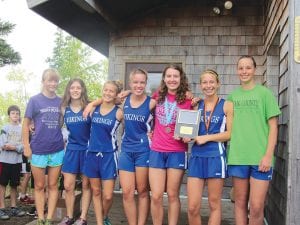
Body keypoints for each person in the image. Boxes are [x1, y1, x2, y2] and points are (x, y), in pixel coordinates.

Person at [227, 55, 281, 225]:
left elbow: (273, 127)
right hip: (238, 157)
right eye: (241, 68)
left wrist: (267, 155)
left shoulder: (264, 94)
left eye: (248, 67)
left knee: (257, 206)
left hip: (260, 158)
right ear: (237, 71)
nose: (244, 71)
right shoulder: (232, 97)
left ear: (254, 70)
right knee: (240, 203)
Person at [184, 69, 233, 225]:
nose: (208, 85)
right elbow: (189, 132)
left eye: (211, 82)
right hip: (197, 157)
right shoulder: (196, 105)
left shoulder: (227, 105)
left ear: (218, 84)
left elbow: (229, 134)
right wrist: (186, 136)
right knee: (192, 207)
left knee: (214, 204)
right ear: (201, 85)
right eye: (205, 82)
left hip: (216, 157)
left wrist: (206, 138)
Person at [149, 64, 192, 225]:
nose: (172, 79)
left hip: (177, 151)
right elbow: (141, 108)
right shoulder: (158, 96)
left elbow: (193, 126)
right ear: (164, 79)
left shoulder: (188, 99)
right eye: (169, 76)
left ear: (181, 79)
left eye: (175, 76)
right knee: (157, 195)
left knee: (173, 194)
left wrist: (189, 137)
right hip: (157, 150)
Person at [22, 68, 65, 225]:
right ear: (43, 82)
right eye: (50, 80)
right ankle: (40, 217)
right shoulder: (35, 100)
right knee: (39, 186)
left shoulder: (61, 101)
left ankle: (49, 218)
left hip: (57, 149)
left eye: (55, 80)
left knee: (53, 185)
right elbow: (25, 124)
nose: (53, 83)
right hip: (38, 149)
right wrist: (26, 145)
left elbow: (66, 118)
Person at [83, 80, 124, 225]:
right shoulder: (93, 108)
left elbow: (133, 124)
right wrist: (91, 103)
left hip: (109, 155)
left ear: (116, 94)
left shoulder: (119, 112)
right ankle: (100, 223)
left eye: (111, 91)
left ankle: (105, 216)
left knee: (107, 196)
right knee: (96, 191)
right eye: (105, 90)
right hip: (92, 154)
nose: (107, 93)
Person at [58, 78, 92, 225]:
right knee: (68, 186)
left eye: (78, 88)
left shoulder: (90, 107)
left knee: (86, 185)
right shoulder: (64, 108)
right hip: (71, 149)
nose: (76, 90)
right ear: (68, 90)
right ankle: (69, 216)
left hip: (87, 150)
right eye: (73, 88)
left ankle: (83, 217)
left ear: (82, 90)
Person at [0, 105, 26, 220]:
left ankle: (14, 207)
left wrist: (14, 147)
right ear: (9, 115)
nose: (15, 115)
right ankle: (1, 208)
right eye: (13, 113)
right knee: (2, 184)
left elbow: (23, 146)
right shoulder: (4, 128)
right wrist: (17, 147)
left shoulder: (22, 129)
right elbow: (4, 145)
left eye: (17, 113)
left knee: (14, 185)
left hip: (17, 162)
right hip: (4, 161)